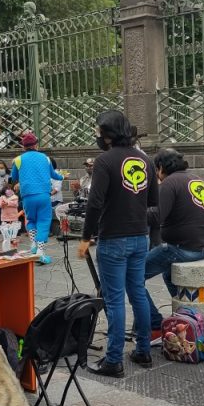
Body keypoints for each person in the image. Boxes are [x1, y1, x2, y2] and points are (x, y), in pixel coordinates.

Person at [79, 110, 158, 376]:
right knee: (137, 293)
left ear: (108, 133)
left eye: (98, 131)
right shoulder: (145, 161)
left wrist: (85, 237)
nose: (97, 136)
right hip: (140, 237)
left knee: (113, 300)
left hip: (113, 239)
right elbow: (153, 203)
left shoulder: (104, 161)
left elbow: (95, 202)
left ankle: (113, 360)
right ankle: (143, 351)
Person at [144, 148, 204, 341]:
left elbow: (157, 217)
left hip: (182, 248)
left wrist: (132, 212)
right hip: (203, 247)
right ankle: (186, 316)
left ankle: (155, 325)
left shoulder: (170, 182)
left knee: (131, 277)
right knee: (168, 273)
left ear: (160, 167)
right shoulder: (196, 179)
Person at [11, 133, 63, 261]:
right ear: (36, 145)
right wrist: (62, 177)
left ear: (23, 147)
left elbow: (13, 177)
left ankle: (33, 244)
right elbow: (53, 175)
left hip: (27, 196)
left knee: (31, 220)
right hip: (43, 195)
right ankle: (40, 251)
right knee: (44, 221)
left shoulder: (18, 160)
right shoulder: (45, 158)